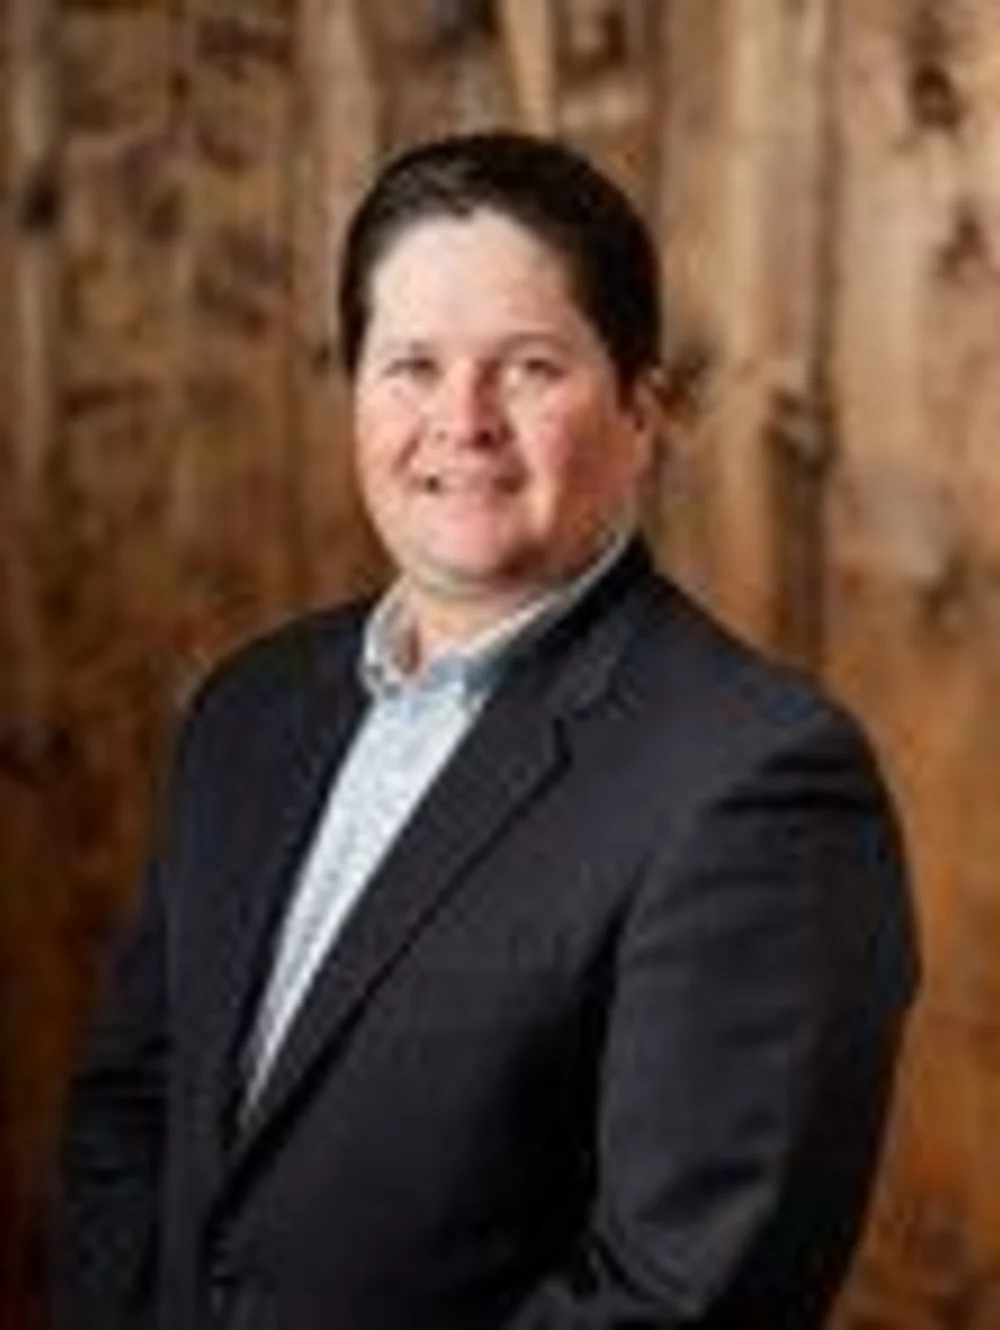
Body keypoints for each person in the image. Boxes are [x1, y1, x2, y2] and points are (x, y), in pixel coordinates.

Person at [52, 130, 918, 1330]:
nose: (461, 420)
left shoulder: (755, 779)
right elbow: (131, 1107)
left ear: (642, 411)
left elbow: (685, 1298)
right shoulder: (248, 710)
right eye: (411, 365)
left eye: (528, 368)